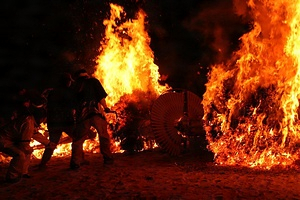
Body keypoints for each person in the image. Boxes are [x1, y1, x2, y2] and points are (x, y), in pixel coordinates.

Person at [70, 68, 114, 170]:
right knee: (103, 136)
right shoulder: (94, 81)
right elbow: (101, 97)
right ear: (87, 74)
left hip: (83, 116)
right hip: (96, 113)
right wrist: (106, 108)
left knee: (78, 140)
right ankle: (107, 158)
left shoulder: (75, 85)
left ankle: (75, 163)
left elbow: (73, 103)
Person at [37, 72, 77, 169]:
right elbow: (72, 107)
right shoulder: (69, 92)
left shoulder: (53, 92)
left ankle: (43, 164)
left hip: (53, 122)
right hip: (66, 121)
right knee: (77, 140)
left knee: (52, 143)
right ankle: (76, 162)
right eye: (69, 81)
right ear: (67, 82)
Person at [0, 88, 40, 183]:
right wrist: (26, 148)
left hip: (10, 139)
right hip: (3, 140)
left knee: (26, 151)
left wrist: (48, 143)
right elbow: (25, 140)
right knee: (20, 154)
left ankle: (23, 172)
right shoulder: (27, 120)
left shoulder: (27, 119)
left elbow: (34, 133)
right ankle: (12, 177)